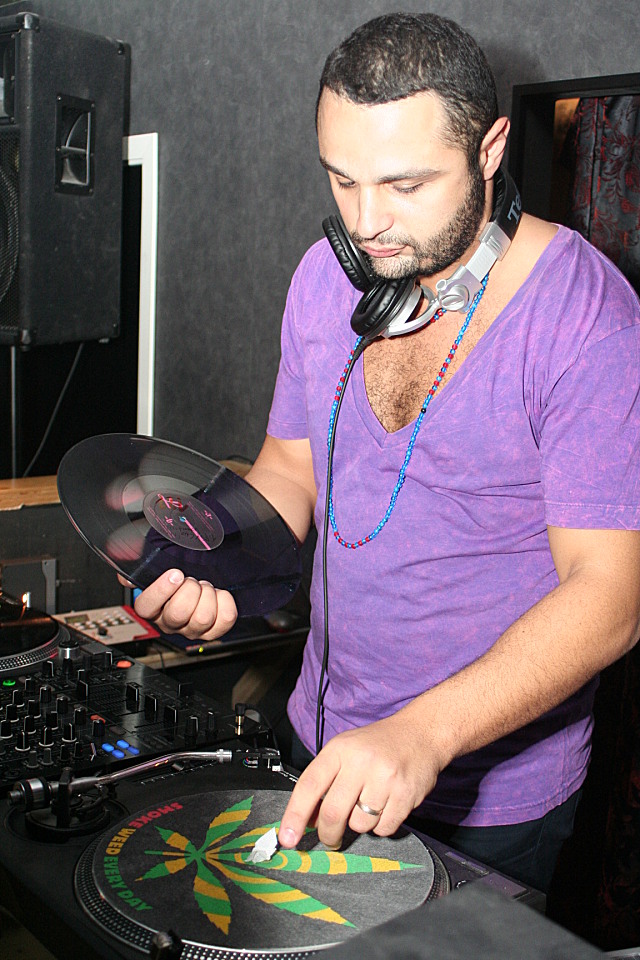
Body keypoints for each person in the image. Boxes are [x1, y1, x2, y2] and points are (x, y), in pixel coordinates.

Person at [132, 13, 640, 893]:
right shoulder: (324, 279)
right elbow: (288, 471)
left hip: (488, 802)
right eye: (343, 180)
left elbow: (611, 598)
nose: (368, 224)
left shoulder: (588, 321)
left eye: (406, 184)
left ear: (489, 149)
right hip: (325, 745)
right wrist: (214, 563)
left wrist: (422, 734)